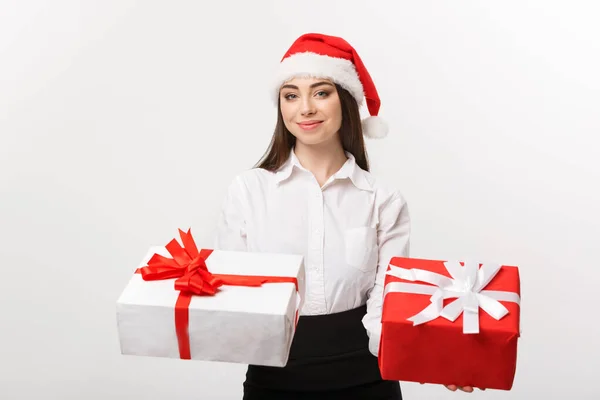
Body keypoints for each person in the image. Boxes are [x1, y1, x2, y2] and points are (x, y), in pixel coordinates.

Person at [214, 33, 474, 399]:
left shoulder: (383, 199)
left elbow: (389, 303)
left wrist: (438, 359)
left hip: (366, 380)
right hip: (274, 381)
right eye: (291, 95)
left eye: (321, 92)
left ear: (346, 101)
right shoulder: (248, 191)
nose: (305, 108)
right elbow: (231, 296)